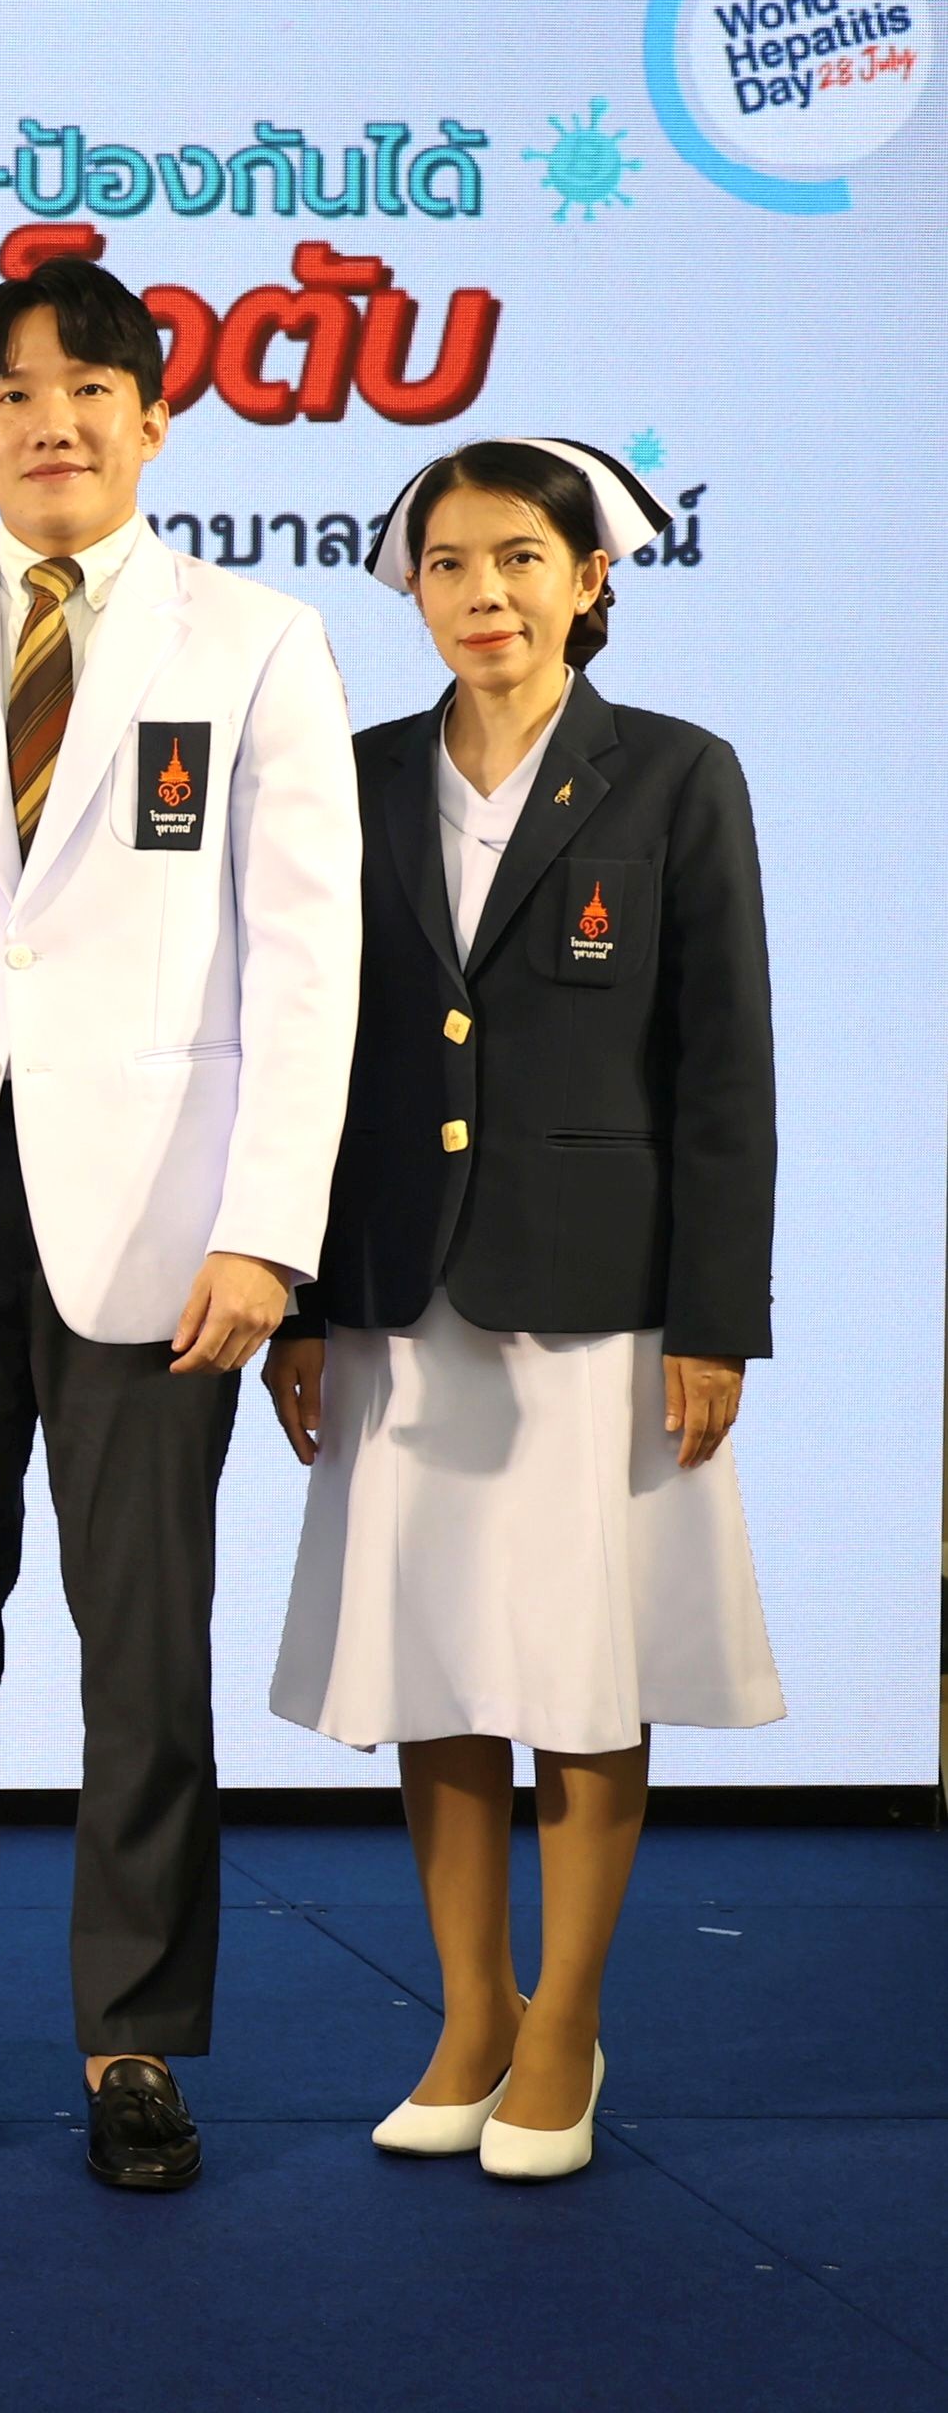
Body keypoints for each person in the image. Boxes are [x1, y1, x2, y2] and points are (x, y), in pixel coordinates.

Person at [0, 253, 361, 2191]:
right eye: (13, 392)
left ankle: (134, 2040)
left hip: (164, 1227)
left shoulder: (256, 643)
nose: (53, 421)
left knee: (145, 1653)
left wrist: (267, 1230)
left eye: (90, 388)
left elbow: (307, 961)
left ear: (153, 420)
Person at [265, 439, 778, 2182]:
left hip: (599, 1296)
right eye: (450, 563)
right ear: (411, 589)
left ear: (592, 579)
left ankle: (566, 2021)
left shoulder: (678, 773)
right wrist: (298, 1299)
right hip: (395, 1282)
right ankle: (471, 2012)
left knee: (579, 1659)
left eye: (519, 560)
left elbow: (725, 1068)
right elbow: (307, 1054)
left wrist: (714, 1317)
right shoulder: (351, 776)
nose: (483, 593)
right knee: (431, 1657)